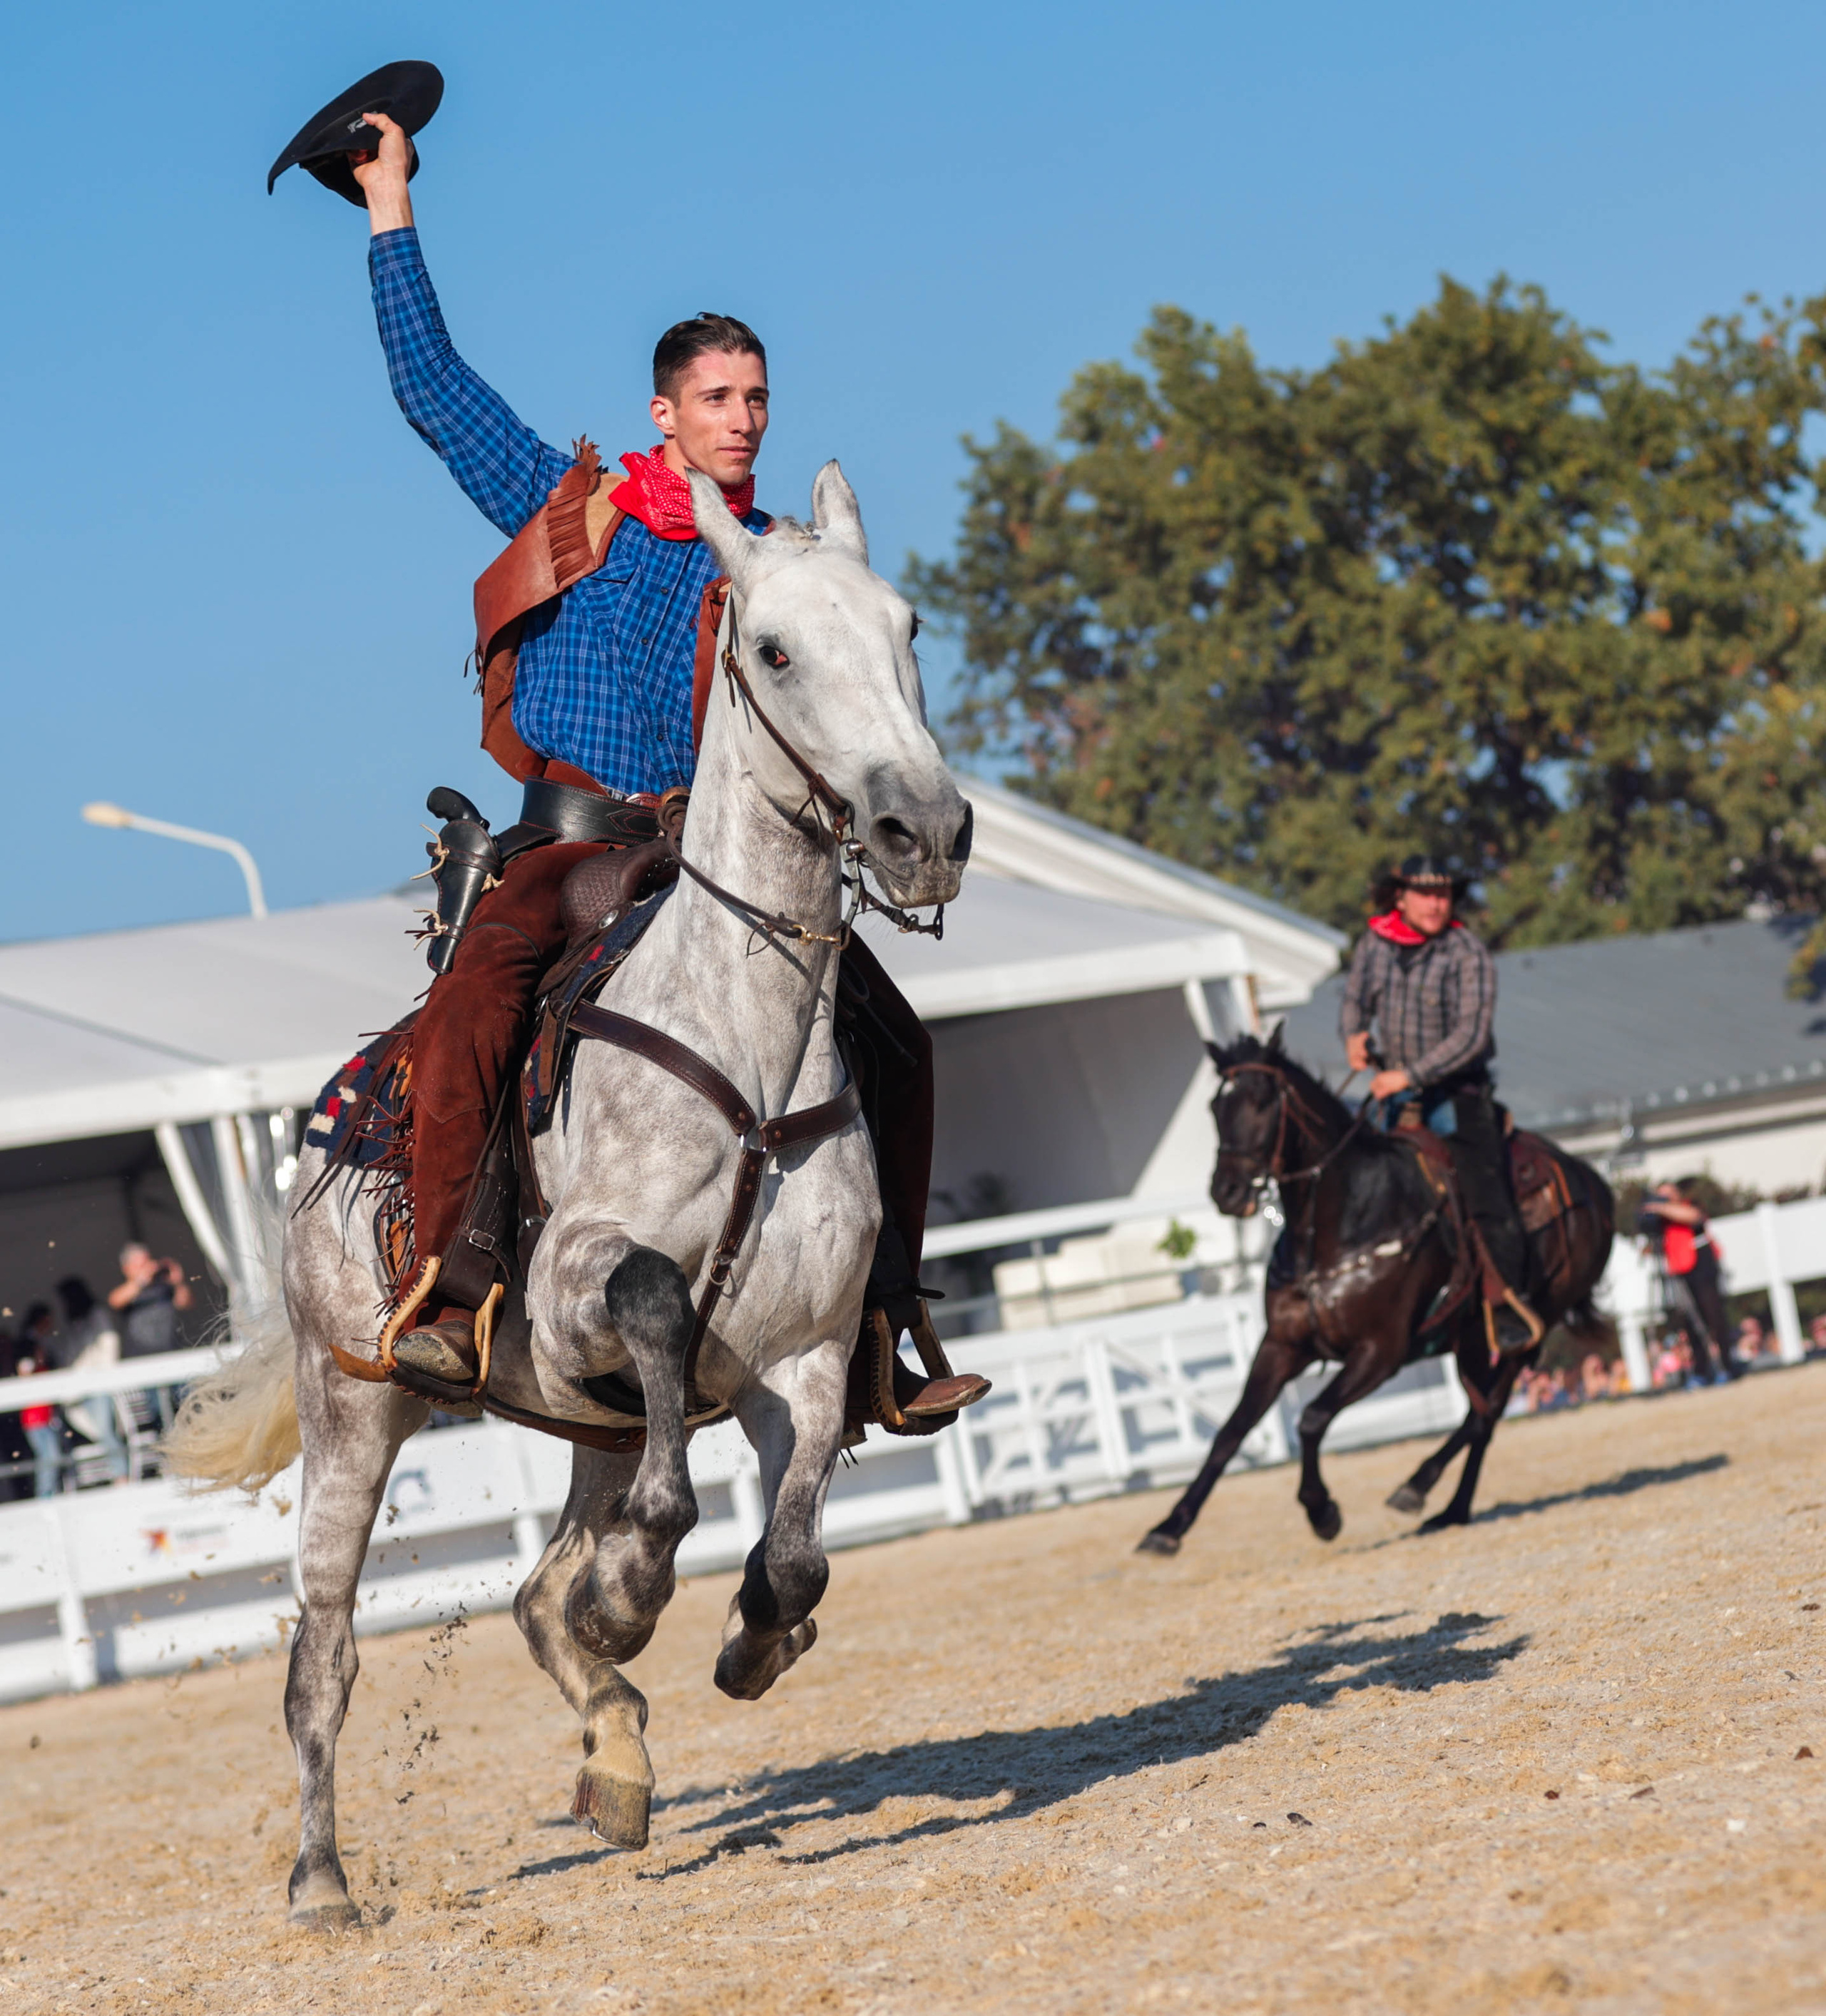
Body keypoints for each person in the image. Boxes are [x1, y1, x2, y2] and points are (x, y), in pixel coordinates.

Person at [339, 113, 984, 1425]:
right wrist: (389, 203)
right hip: (569, 845)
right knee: (472, 1009)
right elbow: (431, 387)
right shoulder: (562, 500)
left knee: (896, 1042)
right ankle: (453, 1288)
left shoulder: (782, 563)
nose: (743, 420)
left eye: (756, 398)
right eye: (717, 399)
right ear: (663, 412)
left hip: (711, 864)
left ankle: (885, 1325)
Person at [1340, 855, 1541, 1352]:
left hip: (1456, 1089)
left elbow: (1471, 1036)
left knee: (1482, 1188)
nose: (1436, 903)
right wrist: (1353, 1033)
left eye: (1443, 894)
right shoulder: (1375, 943)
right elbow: (1354, 997)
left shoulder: (1466, 952)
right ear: (1400, 898)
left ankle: (1506, 1299)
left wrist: (1407, 1075)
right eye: (1425, 894)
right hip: (1394, 1086)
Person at [1636, 1181, 1735, 1385]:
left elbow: (1692, 1217)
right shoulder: (1663, 1220)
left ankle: (1726, 1365)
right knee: (1690, 1323)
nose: (1663, 1200)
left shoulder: (1690, 1205)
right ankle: (1701, 1370)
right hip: (1680, 1270)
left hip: (1702, 1266)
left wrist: (1660, 1207)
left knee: (1713, 1317)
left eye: (1667, 1195)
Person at [54, 1277, 128, 1484]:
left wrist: (104, 1375)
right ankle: (116, 1473)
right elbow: (73, 1355)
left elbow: (109, 1341)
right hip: (80, 1388)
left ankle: (121, 1476)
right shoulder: (75, 1321)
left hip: (98, 1385)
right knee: (97, 1430)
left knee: (105, 1431)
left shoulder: (97, 1314)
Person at [16, 1305, 61, 1497]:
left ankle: (50, 1494)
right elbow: (24, 1371)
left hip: (45, 1411)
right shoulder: (29, 1343)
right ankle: (45, 1497)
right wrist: (36, 1361)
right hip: (34, 1413)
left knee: (51, 1456)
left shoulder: (38, 1342)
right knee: (50, 1456)